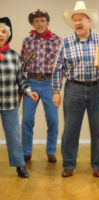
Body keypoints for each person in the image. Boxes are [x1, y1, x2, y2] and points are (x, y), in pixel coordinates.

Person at [51, 1, 99, 177]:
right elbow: (58, 68)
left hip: (98, 89)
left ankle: (98, 166)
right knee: (71, 130)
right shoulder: (65, 43)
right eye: (75, 20)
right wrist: (56, 92)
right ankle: (68, 165)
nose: (78, 23)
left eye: (81, 19)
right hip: (74, 90)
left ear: (89, 21)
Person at [21, 9, 62, 163]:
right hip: (31, 82)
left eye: (42, 20)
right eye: (36, 21)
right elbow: (21, 64)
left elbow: (63, 64)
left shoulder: (57, 40)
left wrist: (57, 67)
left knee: (53, 119)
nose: (40, 24)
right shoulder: (27, 40)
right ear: (33, 23)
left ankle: (51, 151)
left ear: (47, 22)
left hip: (49, 84)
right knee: (27, 120)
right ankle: (26, 151)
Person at [0, 17, 38, 178]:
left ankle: (20, 166)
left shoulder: (13, 56)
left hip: (9, 103)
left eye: (3, 32)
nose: (0, 34)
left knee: (14, 135)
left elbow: (21, 78)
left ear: (8, 35)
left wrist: (28, 91)